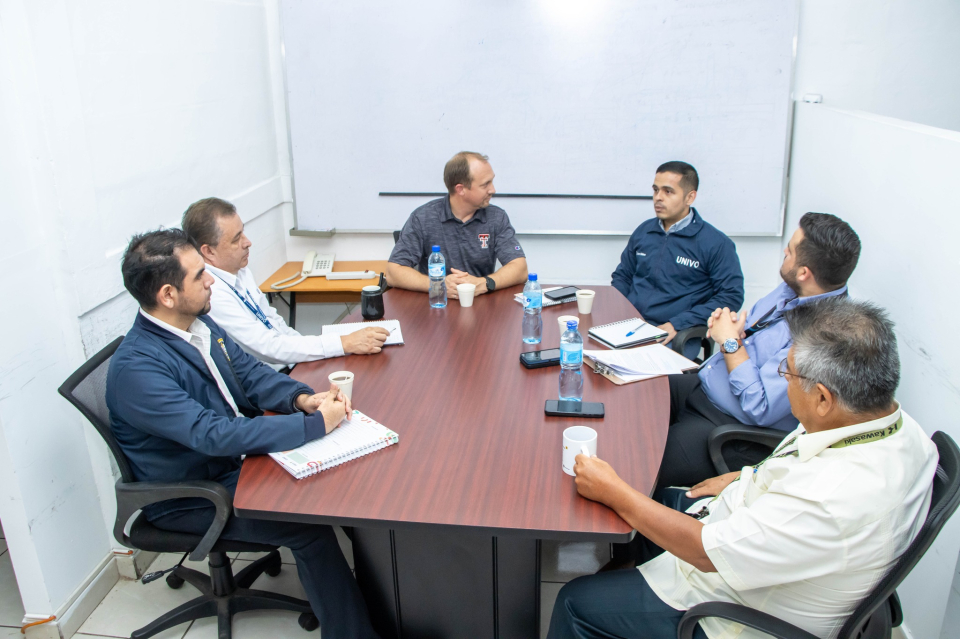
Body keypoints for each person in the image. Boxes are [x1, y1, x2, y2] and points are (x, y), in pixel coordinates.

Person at [548, 298, 937, 639]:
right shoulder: (900, 430)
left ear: (822, 398)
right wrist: (743, 476)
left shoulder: (827, 499)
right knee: (663, 499)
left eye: (787, 373)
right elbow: (798, 461)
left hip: (735, 613)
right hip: (760, 537)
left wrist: (615, 491)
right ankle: (625, 585)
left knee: (574, 601)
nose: (784, 382)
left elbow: (706, 554)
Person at [106, 229, 378, 638]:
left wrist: (302, 399)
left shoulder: (198, 322)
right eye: (199, 275)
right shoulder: (138, 370)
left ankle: (381, 599)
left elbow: (249, 376)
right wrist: (314, 425)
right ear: (167, 294)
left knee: (343, 485)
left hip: (232, 461)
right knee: (310, 529)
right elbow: (211, 434)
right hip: (194, 491)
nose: (211, 279)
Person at [654, 211, 861, 494]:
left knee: (640, 459)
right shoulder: (794, 290)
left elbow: (760, 406)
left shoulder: (823, 336)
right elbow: (752, 330)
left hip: (727, 426)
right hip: (705, 384)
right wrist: (734, 328)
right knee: (636, 392)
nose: (784, 253)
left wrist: (729, 343)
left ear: (804, 272)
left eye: (789, 251)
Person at [182, 197, 389, 366]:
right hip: (266, 381)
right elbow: (267, 347)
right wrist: (342, 343)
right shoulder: (212, 293)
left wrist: (313, 352)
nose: (247, 242)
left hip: (286, 363)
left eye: (243, 231)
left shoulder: (238, 269)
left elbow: (273, 322)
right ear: (208, 251)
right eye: (236, 239)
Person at [611, 161, 744, 356]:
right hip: (631, 325)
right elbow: (623, 275)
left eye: (668, 192)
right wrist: (623, 311)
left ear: (690, 197)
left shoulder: (716, 244)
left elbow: (731, 296)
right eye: (655, 190)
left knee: (643, 381)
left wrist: (678, 323)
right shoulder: (644, 231)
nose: (658, 198)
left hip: (675, 333)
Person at [386, 151, 528, 299]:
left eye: (491, 181)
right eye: (485, 184)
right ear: (461, 189)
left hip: (480, 304)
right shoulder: (423, 218)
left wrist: (484, 283)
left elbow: (520, 268)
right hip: (436, 304)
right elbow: (393, 272)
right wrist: (437, 284)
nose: (493, 190)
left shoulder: (496, 217)